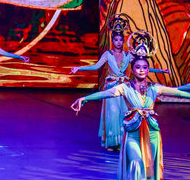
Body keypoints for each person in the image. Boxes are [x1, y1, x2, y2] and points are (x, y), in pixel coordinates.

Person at [71, 32, 190, 180]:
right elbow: (105, 93)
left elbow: (178, 92)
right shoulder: (125, 88)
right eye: (138, 67)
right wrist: (84, 98)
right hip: (133, 134)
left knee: (151, 171)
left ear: (148, 69)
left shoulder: (155, 88)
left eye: (145, 67)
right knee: (136, 165)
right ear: (132, 69)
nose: (141, 70)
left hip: (152, 134)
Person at [70, 14, 167, 149]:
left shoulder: (128, 55)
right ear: (112, 40)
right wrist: (79, 68)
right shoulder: (108, 54)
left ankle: (122, 142)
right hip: (111, 86)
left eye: (121, 40)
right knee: (112, 115)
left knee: (124, 113)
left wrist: (161, 71)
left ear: (123, 40)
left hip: (124, 87)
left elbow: (142, 67)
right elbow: (96, 66)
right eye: (116, 40)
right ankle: (111, 143)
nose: (118, 42)